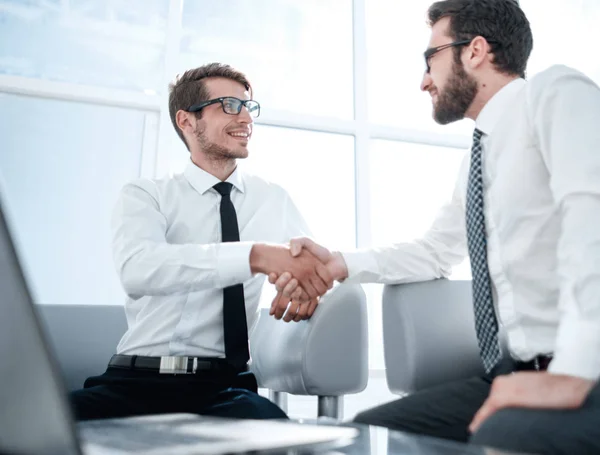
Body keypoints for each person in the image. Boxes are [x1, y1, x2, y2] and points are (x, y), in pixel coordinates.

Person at [269, 0, 600, 453]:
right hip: (515, 374)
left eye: (430, 60)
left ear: (476, 51)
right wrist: (337, 264)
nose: (424, 81)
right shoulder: (477, 159)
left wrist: (575, 372)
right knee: (367, 433)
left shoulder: (556, 93)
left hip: (585, 370)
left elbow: (592, 224)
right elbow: (435, 252)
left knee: (503, 436)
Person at [69, 62, 332, 421]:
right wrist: (255, 256)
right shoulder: (147, 195)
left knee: (278, 437)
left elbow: (315, 264)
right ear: (186, 121)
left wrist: (307, 285)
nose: (246, 119)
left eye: (248, 107)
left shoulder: (273, 199)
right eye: (229, 106)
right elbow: (140, 269)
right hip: (133, 381)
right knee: (29, 428)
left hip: (225, 389)